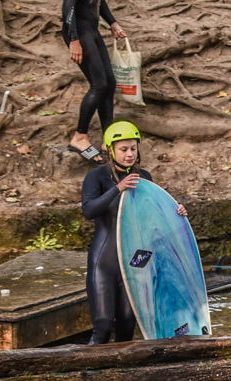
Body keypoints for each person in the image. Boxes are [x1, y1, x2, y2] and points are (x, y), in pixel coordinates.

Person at [79, 120, 184, 345]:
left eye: (133, 148)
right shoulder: (96, 177)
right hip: (104, 263)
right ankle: (87, 375)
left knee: (127, 325)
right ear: (110, 150)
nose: (129, 154)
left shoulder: (144, 178)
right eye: (123, 149)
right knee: (104, 326)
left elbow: (153, 221)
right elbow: (88, 210)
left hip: (136, 261)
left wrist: (176, 212)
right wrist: (118, 188)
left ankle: (123, 378)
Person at [62, 0, 128, 163]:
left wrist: (112, 22)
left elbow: (99, 2)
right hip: (79, 33)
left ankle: (108, 137)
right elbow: (68, 8)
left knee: (109, 83)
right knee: (99, 85)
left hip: (92, 30)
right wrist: (74, 40)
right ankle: (79, 137)